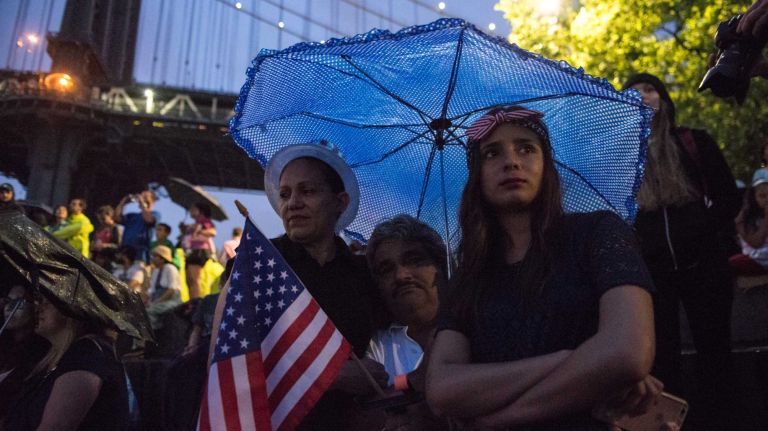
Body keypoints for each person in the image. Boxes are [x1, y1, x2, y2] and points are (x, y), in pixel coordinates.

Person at [426, 106, 660, 430]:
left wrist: (498, 420)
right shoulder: (468, 277)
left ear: (546, 166)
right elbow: (442, 388)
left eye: (526, 148)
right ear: (477, 175)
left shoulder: (599, 233)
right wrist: (572, 358)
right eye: (492, 153)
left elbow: (628, 352)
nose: (511, 161)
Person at [209, 143, 384, 430]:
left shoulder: (363, 274)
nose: (293, 203)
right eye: (285, 194)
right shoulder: (256, 264)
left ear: (339, 201)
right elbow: (231, 362)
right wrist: (334, 377)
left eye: (308, 191)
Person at [624, 73, 739, 429]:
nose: (642, 95)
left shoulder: (693, 142)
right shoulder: (623, 156)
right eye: (633, 91)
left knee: (714, 349)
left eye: (649, 88)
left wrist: (703, 229)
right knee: (662, 357)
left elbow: (728, 196)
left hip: (705, 265)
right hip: (654, 273)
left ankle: (721, 419)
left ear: (664, 99)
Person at [365, 214, 448, 431]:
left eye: (414, 260)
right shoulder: (378, 346)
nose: (401, 275)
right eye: (386, 269)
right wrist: (410, 381)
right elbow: (376, 398)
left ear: (440, 267)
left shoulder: (472, 327)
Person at [3, 292, 128, 431]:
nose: (39, 308)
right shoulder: (47, 357)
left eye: (48, 302)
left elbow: (56, 426)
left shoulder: (87, 354)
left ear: (73, 308)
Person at [0, 285, 49, 423]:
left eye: (19, 303)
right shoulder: (4, 346)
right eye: (8, 301)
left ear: (37, 308)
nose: (9, 308)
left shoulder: (40, 358)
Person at [730, 170, 768, 275]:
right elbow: (756, 243)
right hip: (757, 260)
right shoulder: (744, 219)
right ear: (754, 198)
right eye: (762, 196)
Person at [181, 202, 217, 299]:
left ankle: (195, 302)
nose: (191, 211)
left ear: (201, 211)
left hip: (199, 251)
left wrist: (198, 230)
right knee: (189, 279)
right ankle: (192, 300)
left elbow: (213, 232)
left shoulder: (205, 221)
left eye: (194, 209)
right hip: (191, 252)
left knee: (194, 278)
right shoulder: (196, 223)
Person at [115, 190, 159, 262]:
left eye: (146, 196)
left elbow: (148, 220)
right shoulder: (132, 216)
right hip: (125, 255)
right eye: (142, 196)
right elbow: (117, 218)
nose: (142, 198)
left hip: (140, 256)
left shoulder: (155, 214)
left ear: (152, 201)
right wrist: (123, 202)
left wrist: (142, 202)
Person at [146, 245, 182, 330]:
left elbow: (171, 290)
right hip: (159, 300)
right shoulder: (156, 271)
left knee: (150, 311)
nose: (153, 258)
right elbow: (152, 290)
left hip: (172, 300)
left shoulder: (171, 269)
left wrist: (156, 302)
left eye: (155, 256)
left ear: (162, 258)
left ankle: (154, 335)